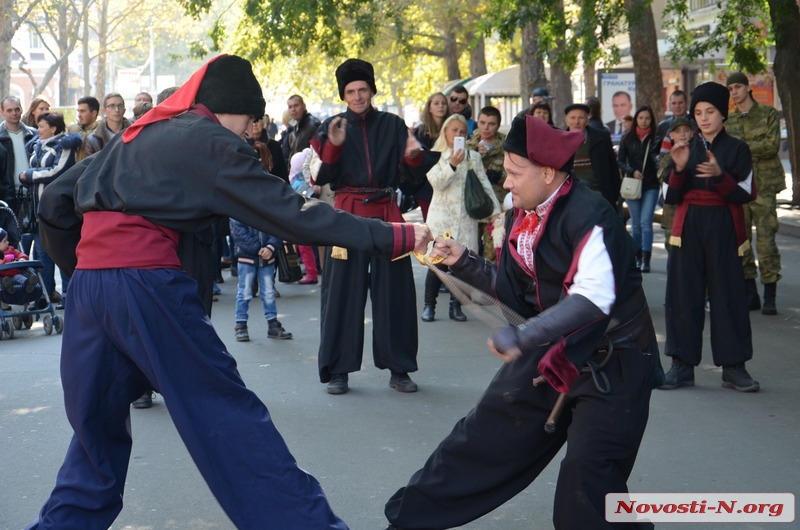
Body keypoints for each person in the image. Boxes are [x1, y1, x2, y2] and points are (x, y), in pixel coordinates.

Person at [30, 54, 431, 529]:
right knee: (227, 419)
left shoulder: (139, 134)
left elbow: (55, 201)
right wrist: (396, 235)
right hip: (145, 283)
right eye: (250, 122)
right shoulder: (210, 140)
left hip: (91, 291)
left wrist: (86, 274)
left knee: (93, 437)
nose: (251, 133)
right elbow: (293, 214)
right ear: (232, 111)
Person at [385, 114, 660, 530]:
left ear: (548, 172)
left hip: (614, 362)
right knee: (477, 441)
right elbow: (514, 289)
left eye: (515, 173)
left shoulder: (592, 215)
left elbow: (592, 298)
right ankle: (405, 522)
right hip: (552, 349)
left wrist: (526, 334)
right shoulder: (521, 213)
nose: (507, 183)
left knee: (588, 480)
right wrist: (462, 261)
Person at [311, 58, 424, 395]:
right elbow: (319, 178)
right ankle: (338, 370)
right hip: (346, 216)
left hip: (388, 215)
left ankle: (399, 367)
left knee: (396, 293)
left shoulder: (393, 124)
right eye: (351, 91)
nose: (358, 96)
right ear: (343, 95)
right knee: (342, 293)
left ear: (372, 90)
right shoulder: (330, 126)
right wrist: (333, 147)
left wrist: (415, 156)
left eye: (363, 90)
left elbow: (412, 178)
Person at [660, 81, 759, 392]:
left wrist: (719, 175)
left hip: (724, 227)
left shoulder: (738, 149)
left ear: (723, 114)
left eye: (710, 112)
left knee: (728, 294)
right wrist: (677, 169)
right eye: (698, 112)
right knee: (683, 295)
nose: (703, 118)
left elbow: (745, 193)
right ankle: (681, 366)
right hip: (687, 228)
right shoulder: (685, 148)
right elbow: (669, 197)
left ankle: (734, 367)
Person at [422, 114, 499, 322]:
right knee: (436, 263)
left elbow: (483, 183)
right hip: (442, 218)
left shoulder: (472, 156)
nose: (458, 134)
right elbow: (436, 183)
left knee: (461, 266)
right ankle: (429, 305)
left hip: (465, 219)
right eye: (454, 130)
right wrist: (452, 165)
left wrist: (496, 211)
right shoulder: (436, 155)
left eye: (462, 132)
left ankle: (456, 307)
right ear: (445, 132)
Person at [725, 72, 784, 315]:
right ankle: (751, 293)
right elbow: (727, 156)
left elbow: (771, 146)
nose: (734, 92)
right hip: (740, 188)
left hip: (765, 186)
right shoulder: (728, 122)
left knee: (767, 240)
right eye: (730, 89)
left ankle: (770, 293)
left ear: (748, 88)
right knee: (742, 241)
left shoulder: (768, 114)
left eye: (738, 86)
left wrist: (743, 150)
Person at [19, 112, 81, 307]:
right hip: (37, 210)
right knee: (42, 255)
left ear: (53, 128)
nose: (38, 130)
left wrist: (29, 175)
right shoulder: (37, 145)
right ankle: (44, 297)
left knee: (62, 253)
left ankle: (69, 296)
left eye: (41, 126)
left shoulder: (64, 145)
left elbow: (58, 171)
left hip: (58, 211)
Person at [230, 217, 293, 341]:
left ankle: (272, 323)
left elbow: (277, 227)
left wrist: (270, 247)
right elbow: (238, 231)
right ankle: (241, 324)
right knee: (245, 292)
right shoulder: (240, 206)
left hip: (264, 257)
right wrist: (262, 248)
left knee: (268, 293)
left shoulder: (267, 205)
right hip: (248, 257)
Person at [617, 105, 659, 272]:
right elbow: (619, 160)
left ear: (651, 120)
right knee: (635, 224)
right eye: (641, 118)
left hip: (651, 185)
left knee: (645, 222)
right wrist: (631, 171)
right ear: (636, 119)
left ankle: (646, 260)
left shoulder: (656, 138)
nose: (644, 121)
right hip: (632, 185)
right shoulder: (627, 138)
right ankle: (637, 257)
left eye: (647, 118)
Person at [467, 105, 506, 261]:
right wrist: (475, 155)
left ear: (498, 125)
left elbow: (514, 175)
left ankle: (490, 283)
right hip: (472, 204)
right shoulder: (468, 145)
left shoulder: (507, 145)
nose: (486, 127)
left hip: (496, 204)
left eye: (491, 124)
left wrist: (494, 175)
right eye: (482, 122)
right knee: (470, 251)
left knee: (493, 252)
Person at [564, 103, 621, 207]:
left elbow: (612, 168)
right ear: (566, 121)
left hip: (599, 195)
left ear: (587, 121)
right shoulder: (559, 140)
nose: (576, 122)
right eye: (573, 118)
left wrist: (615, 196)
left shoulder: (601, 138)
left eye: (581, 118)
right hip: (569, 197)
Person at [409, 92, 450, 219]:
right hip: (426, 188)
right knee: (432, 226)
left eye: (443, 103)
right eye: (436, 103)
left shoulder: (452, 128)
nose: (441, 106)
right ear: (429, 108)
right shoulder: (421, 132)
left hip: (449, 185)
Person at [656, 117, 694, 256]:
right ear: (671, 135)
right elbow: (664, 181)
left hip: (693, 213)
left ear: (691, 133)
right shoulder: (667, 158)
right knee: (673, 254)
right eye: (677, 131)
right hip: (672, 214)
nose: (682, 134)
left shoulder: (698, 154)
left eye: (686, 130)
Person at [0, 96, 36, 212]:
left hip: (34, 193)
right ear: (2, 112)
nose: (14, 113)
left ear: (21, 109)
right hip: (8, 197)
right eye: (9, 110)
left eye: (17, 109)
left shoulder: (34, 134)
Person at [0, 227, 42, 305]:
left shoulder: (11, 250)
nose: (8, 242)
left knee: (21, 277)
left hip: (15, 274)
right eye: (4, 241)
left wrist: (22, 258)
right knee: (4, 281)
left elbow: (19, 254)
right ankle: (9, 288)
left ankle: (30, 284)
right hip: (3, 277)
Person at [283, 94, 320, 163]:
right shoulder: (295, 126)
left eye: (296, 105)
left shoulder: (313, 124)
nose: (293, 109)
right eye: (290, 107)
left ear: (304, 106)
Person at [67, 96, 100, 162]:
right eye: (78, 111)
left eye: (82, 111)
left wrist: (72, 127)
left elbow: (86, 140)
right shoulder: (79, 127)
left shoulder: (100, 130)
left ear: (94, 113)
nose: (79, 115)